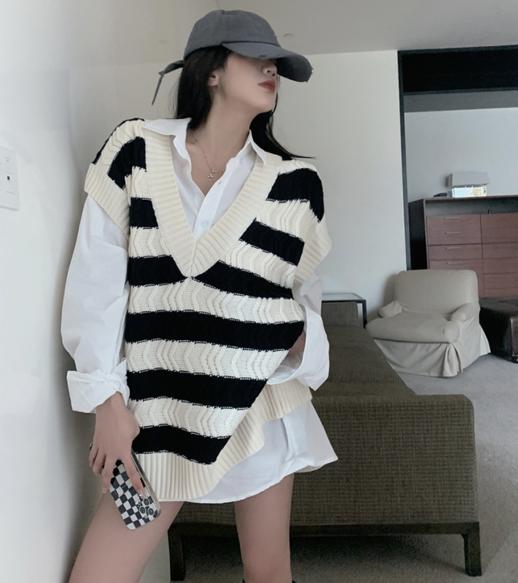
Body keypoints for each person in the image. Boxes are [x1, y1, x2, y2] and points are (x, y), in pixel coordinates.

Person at [61, 9, 337, 583]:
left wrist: (288, 337)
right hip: (154, 421)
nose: (272, 70)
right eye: (255, 57)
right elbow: (95, 281)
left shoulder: (297, 184)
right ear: (210, 70)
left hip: (258, 412)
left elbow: (304, 304)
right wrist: (107, 405)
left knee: (268, 573)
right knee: (97, 577)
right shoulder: (134, 150)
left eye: (277, 63)